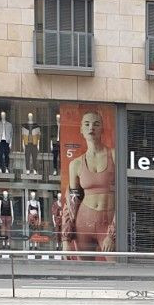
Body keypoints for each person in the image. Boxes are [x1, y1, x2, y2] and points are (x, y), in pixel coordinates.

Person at [62, 108, 116, 259]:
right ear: (81, 129)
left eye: (96, 124)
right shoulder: (76, 164)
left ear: (102, 128)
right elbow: (71, 202)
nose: (91, 127)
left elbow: (123, 196)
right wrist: (66, 239)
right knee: (83, 274)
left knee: (117, 271)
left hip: (108, 221)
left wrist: (112, 234)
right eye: (86, 124)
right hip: (83, 223)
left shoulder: (114, 155)